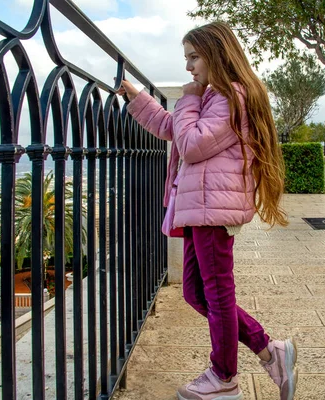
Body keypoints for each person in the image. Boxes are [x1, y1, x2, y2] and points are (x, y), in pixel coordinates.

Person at [117, 21, 297, 400]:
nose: (189, 68)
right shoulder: (217, 96)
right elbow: (174, 128)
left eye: (193, 57)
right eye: (187, 59)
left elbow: (193, 143)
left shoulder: (232, 96)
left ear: (217, 53)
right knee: (197, 293)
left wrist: (190, 95)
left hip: (212, 209)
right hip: (202, 206)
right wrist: (137, 99)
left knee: (215, 294)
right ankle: (270, 351)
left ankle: (224, 378)